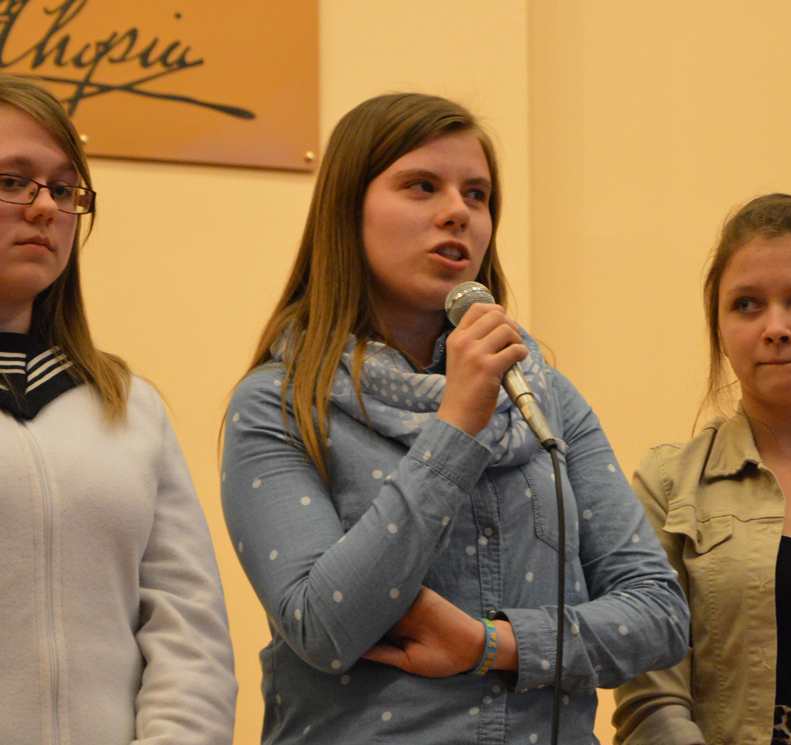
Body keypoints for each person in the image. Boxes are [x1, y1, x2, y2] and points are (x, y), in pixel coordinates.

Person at [221, 91, 689, 745]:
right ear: (348, 210)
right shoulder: (277, 403)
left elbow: (660, 614)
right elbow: (322, 628)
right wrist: (456, 425)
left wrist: (491, 644)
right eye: (422, 186)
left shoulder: (545, 397)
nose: (457, 213)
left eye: (477, 195)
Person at [0, 73, 237, 744]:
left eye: (63, 189)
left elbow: (189, 632)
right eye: (13, 181)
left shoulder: (129, 407)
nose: (44, 208)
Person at [613, 193, 791, 745]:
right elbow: (652, 699)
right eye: (747, 304)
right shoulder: (669, 484)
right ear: (718, 327)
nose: (777, 327)